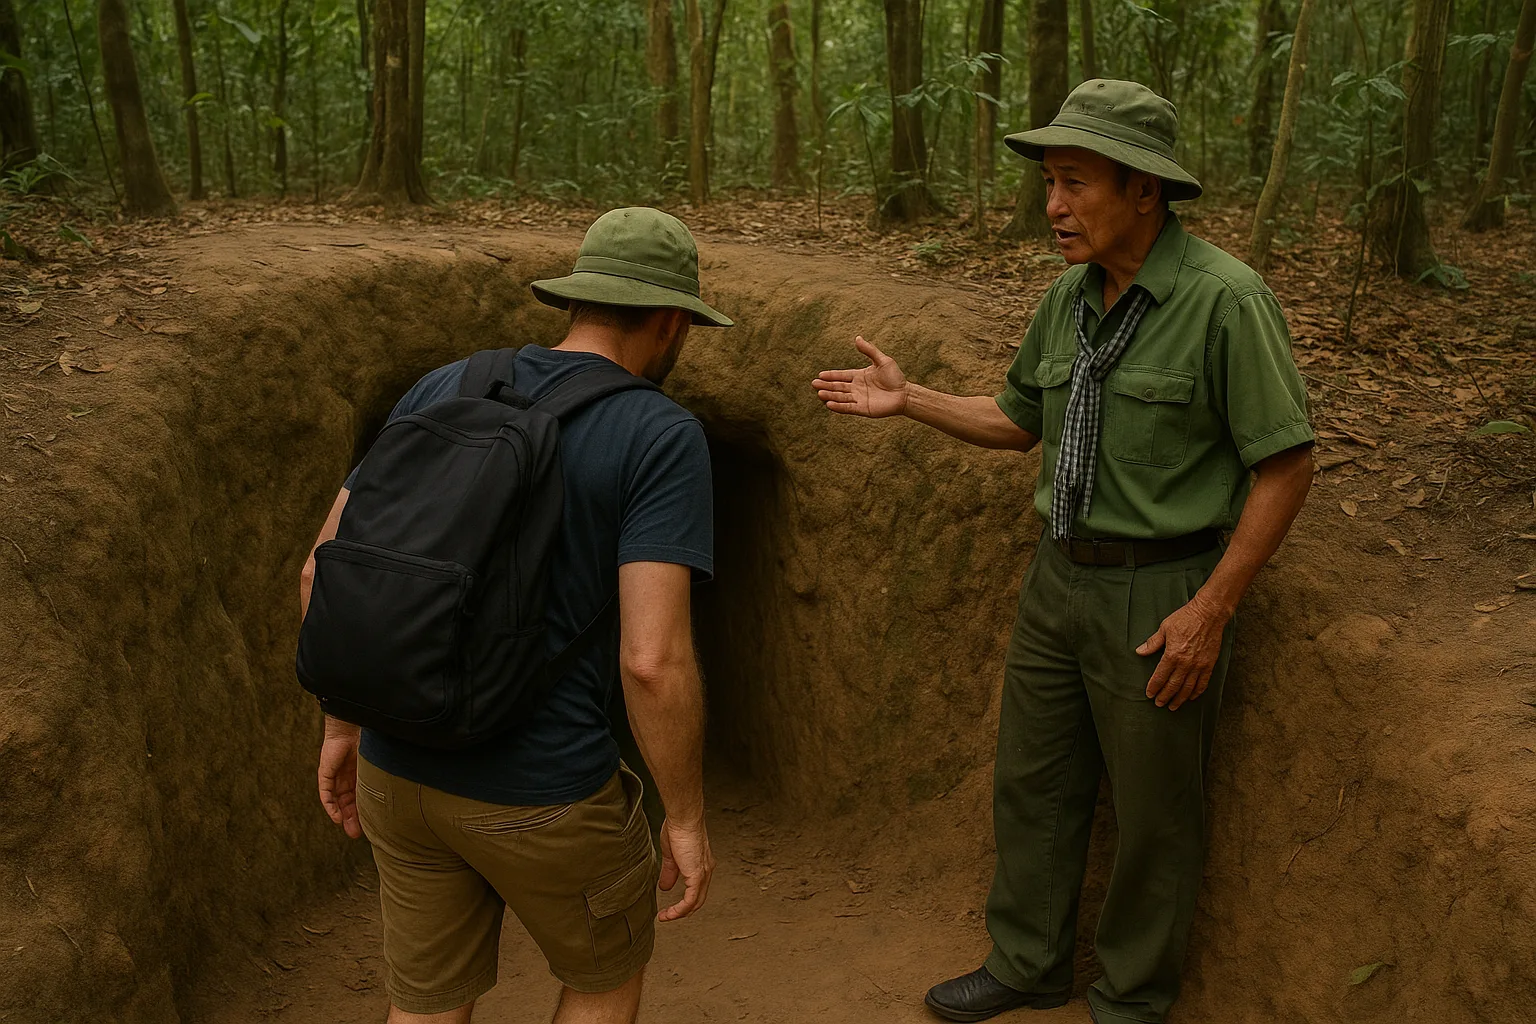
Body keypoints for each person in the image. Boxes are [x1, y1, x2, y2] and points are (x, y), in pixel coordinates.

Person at [813, 80, 1314, 1024]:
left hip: (1161, 587)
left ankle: (1129, 1001)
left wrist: (1210, 609)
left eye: (1075, 182)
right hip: (1059, 579)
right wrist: (910, 398)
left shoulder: (1225, 302)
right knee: (1034, 782)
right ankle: (1028, 963)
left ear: (1144, 191)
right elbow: (1016, 421)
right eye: (1049, 182)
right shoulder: (1068, 299)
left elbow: (1287, 469)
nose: (1052, 205)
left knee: (1155, 813)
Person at [299, 207, 733, 1024]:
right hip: (546, 793)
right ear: (675, 322)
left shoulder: (443, 385)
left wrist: (344, 728)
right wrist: (685, 818)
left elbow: (321, 571)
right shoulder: (660, 433)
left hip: (399, 771)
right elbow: (652, 660)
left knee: (426, 1005)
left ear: (576, 300)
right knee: (603, 980)